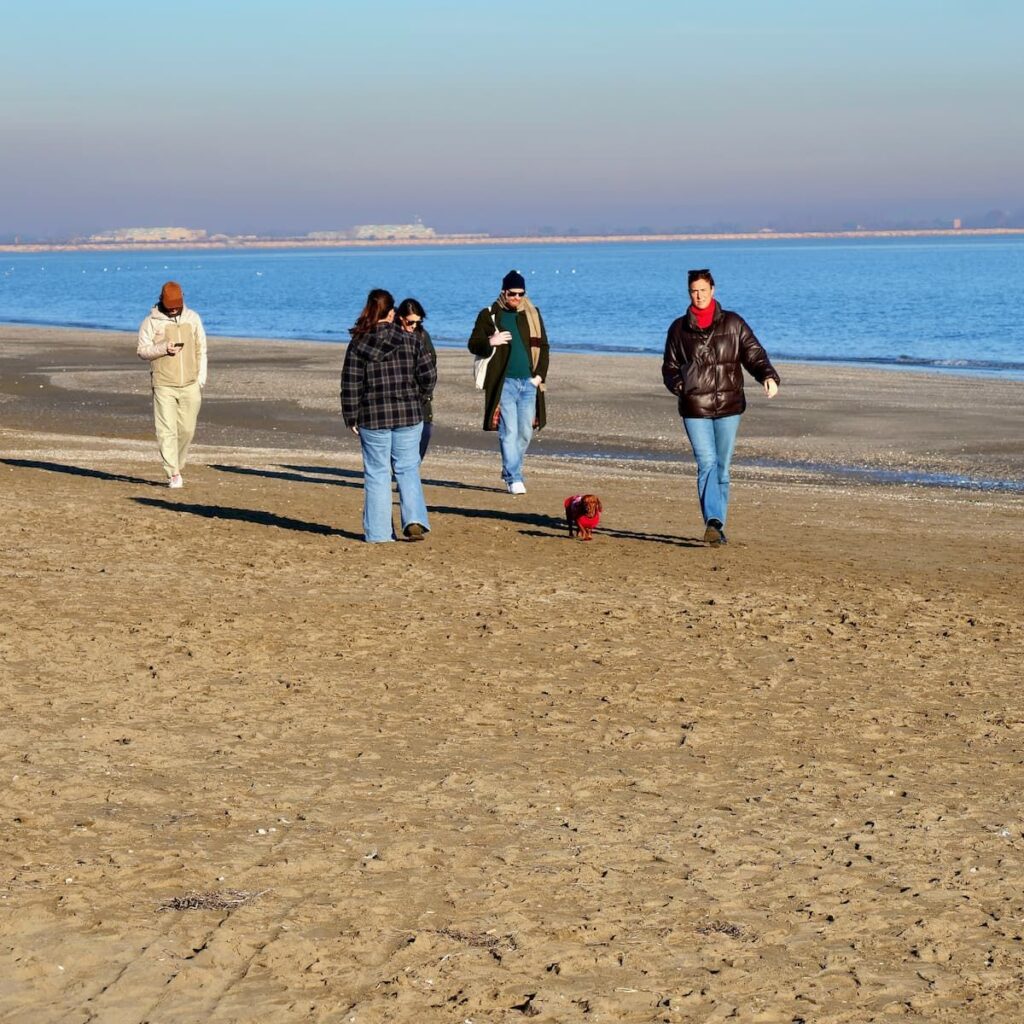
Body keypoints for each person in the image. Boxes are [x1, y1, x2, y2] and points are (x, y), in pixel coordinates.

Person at [661, 268, 780, 546]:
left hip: (729, 405)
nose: (699, 295)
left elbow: (753, 353)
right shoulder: (678, 329)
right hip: (695, 407)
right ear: (688, 293)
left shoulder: (733, 323)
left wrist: (767, 376)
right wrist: (681, 386)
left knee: (722, 468)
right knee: (706, 462)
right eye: (694, 291)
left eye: (703, 290)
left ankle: (718, 527)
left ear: (713, 290)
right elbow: (669, 368)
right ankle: (713, 520)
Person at [341, 288, 436, 543]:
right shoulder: (411, 340)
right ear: (392, 313)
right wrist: (419, 397)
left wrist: (351, 415)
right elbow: (428, 376)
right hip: (406, 414)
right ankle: (414, 519)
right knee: (407, 468)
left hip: (374, 416)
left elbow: (351, 383)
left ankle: (379, 533)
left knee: (377, 473)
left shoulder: (359, 343)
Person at [467, 270, 549, 494]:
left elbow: (543, 347)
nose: (517, 298)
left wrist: (539, 377)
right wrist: (490, 341)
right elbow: (473, 344)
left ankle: (510, 470)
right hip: (503, 384)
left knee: (525, 432)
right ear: (504, 292)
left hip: (529, 383)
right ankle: (514, 477)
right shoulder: (489, 315)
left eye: (521, 293)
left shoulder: (532, 314)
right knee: (509, 431)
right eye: (513, 293)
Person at [136, 281, 207, 488]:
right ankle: (173, 472)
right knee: (166, 430)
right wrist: (162, 348)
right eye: (170, 306)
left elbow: (201, 348)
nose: (174, 309)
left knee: (187, 430)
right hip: (164, 385)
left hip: (190, 384)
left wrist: (200, 378)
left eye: (177, 305)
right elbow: (142, 350)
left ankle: (177, 464)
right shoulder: (151, 322)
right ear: (162, 301)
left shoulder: (193, 318)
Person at [396, 298, 437, 460]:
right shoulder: (392, 336)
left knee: (425, 432)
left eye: (417, 322)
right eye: (410, 322)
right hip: (398, 398)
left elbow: (432, 365)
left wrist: (426, 393)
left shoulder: (422, 335)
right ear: (400, 317)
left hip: (422, 397)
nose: (413, 326)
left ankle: (412, 468)